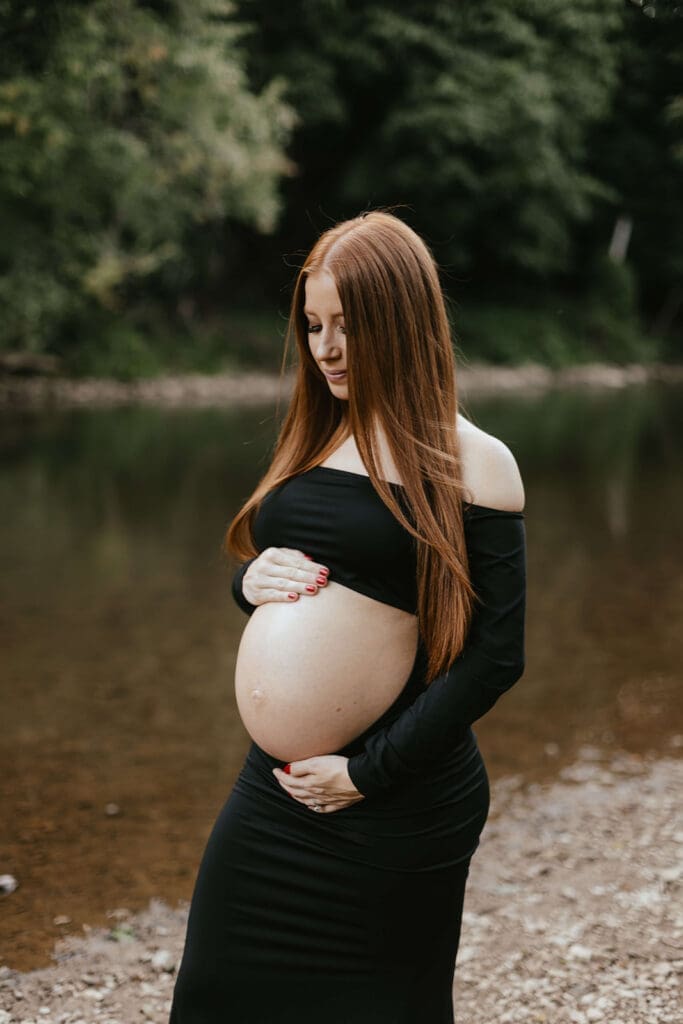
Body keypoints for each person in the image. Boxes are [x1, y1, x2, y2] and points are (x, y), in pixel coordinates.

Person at [169, 210, 526, 1024]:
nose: (325, 349)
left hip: (395, 799)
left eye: (347, 327)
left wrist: (368, 773)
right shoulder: (320, 432)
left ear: (401, 324)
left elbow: (497, 654)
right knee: (213, 995)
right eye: (313, 325)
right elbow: (289, 572)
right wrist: (249, 581)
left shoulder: (476, 462)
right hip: (281, 792)